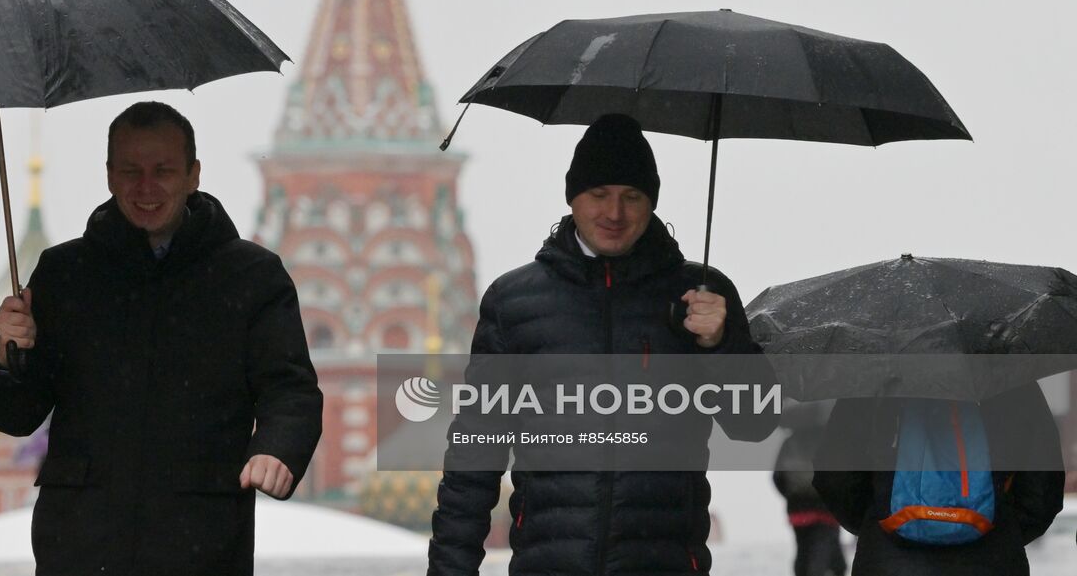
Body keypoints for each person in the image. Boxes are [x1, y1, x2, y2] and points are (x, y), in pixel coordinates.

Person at [0, 101, 323, 576]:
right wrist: (8, 352)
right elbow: (16, 416)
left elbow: (290, 388)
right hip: (80, 545)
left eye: (163, 170)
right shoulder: (65, 275)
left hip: (200, 542)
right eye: (130, 170)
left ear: (193, 174)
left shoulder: (251, 277)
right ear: (108, 175)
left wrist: (276, 447)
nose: (146, 187)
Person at [427, 113, 776, 576]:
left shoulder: (701, 296)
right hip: (549, 564)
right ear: (573, 198)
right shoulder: (515, 302)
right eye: (599, 195)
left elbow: (754, 423)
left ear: (651, 203)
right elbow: (476, 451)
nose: (615, 213)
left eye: (631, 197)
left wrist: (718, 343)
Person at [812, 383, 1064, 576]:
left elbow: (835, 475)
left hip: (887, 560)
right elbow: (1043, 485)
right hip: (992, 559)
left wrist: (877, 519)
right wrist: (1001, 526)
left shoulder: (872, 374)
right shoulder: (1009, 373)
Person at [773, 421, 847, 576]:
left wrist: (791, 497)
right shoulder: (829, 440)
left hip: (798, 509)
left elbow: (777, 477)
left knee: (803, 550)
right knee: (825, 554)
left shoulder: (789, 443)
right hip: (826, 508)